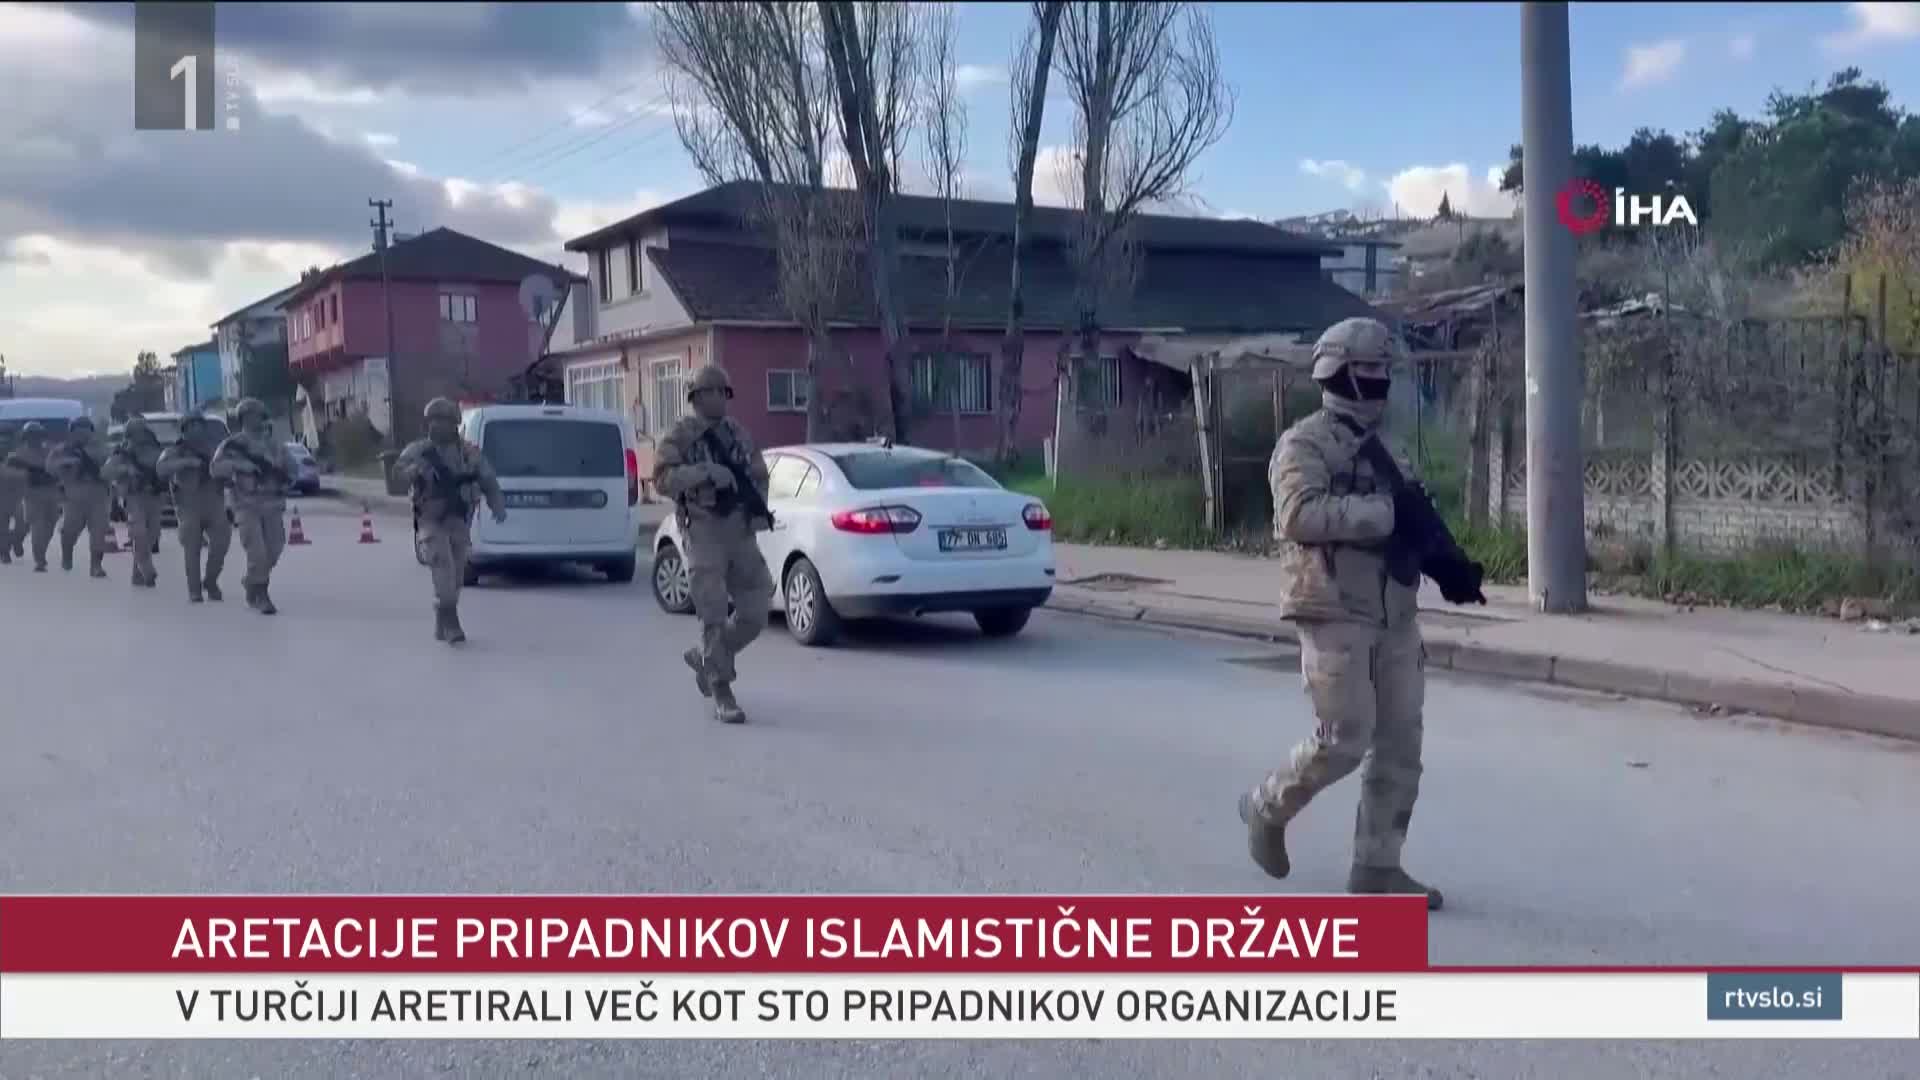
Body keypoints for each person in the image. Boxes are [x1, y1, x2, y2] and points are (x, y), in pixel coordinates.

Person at [1238, 316, 1443, 910]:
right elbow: (1296, 514)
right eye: (1369, 369)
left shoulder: (1392, 448)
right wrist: (1383, 516)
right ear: (1338, 373)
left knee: (1401, 746)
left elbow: (1410, 514)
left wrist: (1433, 545)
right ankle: (1266, 806)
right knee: (1345, 739)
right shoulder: (1303, 444)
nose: (1380, 380)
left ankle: (1377, 866)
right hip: (1332, 607)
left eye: (1384, 370)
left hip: (1395, 612)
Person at [653, 364, 774, 725]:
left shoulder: (738, 433)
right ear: (696, 397)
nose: (721, 398)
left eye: (724, 392)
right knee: (713, 610)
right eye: (713, 392)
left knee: (756, 608)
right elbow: (662, 478)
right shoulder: (681, 434)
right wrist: (705, 473)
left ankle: (708, 658)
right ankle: (722, 689)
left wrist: (758, 510)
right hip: (703, 526)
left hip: (739, 527)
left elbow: (759, 474)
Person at [394, 397, 505, 644]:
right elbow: (397, 473)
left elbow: (487, 478)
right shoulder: (419, 451)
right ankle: (451, 621)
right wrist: (412, 472)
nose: (437, 425)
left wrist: (497, 505)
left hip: (458, 519)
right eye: (433, 420)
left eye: (443, 420)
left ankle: (441, 617)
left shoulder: (468, 453)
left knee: (456, 576)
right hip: (430, 519)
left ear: (454, 423)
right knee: (442, 567)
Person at [210, 398, 294, 614]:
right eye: (250, 415)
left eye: (258, 415)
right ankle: (261, 594)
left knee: (274, 549)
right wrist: (239, 465)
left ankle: (251, 581)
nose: (255, 419)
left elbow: (291, 469)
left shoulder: (274, 445)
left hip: (272, 503)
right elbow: (215, 469)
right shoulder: (232, 445)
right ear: (243, 418)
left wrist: (285, 477)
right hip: (245, 504)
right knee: (257, 552)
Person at [158, 414, 233, 603]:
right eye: (191, 426)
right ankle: (194, 589)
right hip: (188, 504)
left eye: (198, 425)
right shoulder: (175, 451)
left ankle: (210, 580)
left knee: (222, 543)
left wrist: (222, 469)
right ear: (184, 430)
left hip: (214, 502)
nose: (196, 429)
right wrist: (186, 463)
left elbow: (229, 468)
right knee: (192, 547)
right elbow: (161, 468)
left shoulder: (215, 449)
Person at [103, 416, 166, 589]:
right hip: (134, 497)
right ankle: (146, 568)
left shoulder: (156, 450)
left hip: (154, 497)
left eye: (142, 432)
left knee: (152, 534)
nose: (139, 436)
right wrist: (125, 470)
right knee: (138, 533)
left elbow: (165, 469)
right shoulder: (123, 453)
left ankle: (137, 573)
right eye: (135, 432)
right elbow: (106, 472)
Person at [48, 415, 112, 578]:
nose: (83, 435)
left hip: (98, 496)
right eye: (79, 431)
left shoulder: (102, 449)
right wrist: (65, 463)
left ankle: (96, 566)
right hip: (73, 496)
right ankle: (67, 556)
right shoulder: (62, 450)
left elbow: (112, 468)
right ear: (72, 432)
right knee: (69, 531)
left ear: (92, 432)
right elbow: (50, 467)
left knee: (99, 532)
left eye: (86, 431)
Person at [3, 422, 62, 572]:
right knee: (37, 526)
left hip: (51, 493)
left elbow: (61, 470)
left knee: (49, 526)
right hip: (30, 494)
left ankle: (13, 541)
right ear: (26, 437)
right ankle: (40, 559)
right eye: (31, 435)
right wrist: (27, 475)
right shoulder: (17, 456)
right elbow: (7, 474)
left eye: (37, 435)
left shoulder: (50, 452)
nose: (35, 438)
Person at [0, 427, 23, 565]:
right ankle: (4, 552)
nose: (4, 441)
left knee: (22, 525)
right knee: (2, 528)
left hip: (17, 497)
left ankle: (15, 541)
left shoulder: (18, 455)